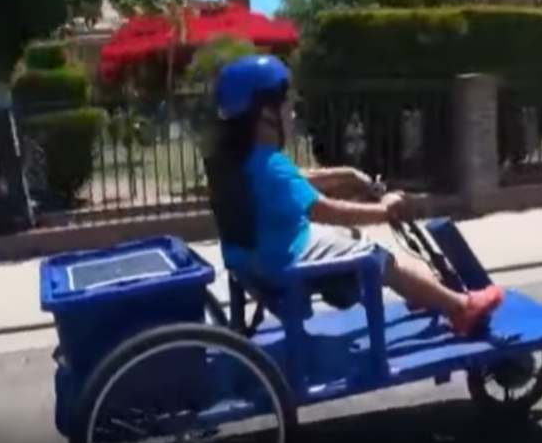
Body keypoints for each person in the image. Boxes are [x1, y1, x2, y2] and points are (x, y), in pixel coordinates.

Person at [207, 54, 503, 336]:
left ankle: (422, 292)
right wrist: (386, 209)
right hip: (284, 259)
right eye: (286, 105)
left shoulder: (240, 161)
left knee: (350, 237)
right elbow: (326, 210)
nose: (292, 112)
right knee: (381, 259)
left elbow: (295, 180)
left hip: (254, 260)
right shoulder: (271, 164)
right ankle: (461, 308)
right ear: (265, 113)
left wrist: (348, 175)